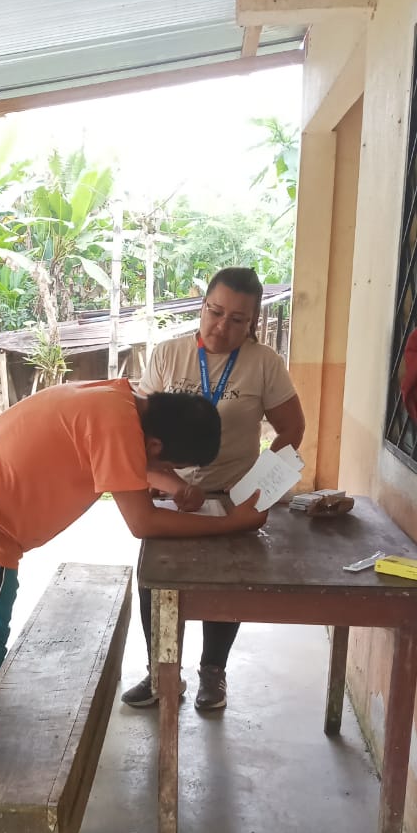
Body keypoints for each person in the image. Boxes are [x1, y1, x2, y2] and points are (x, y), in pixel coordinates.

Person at [0, 376, 268, 705]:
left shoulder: (121, 401)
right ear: (155, 447)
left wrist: (177, 487)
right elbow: (143, 522)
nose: (170, 472)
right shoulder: (117, 428)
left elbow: (129, 459)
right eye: (173, 466)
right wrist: (230, 523)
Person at [121, 266, 305, 713]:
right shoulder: (169, 354)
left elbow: (292, 428)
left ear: (253, 322)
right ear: (202, 305)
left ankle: (213, 672)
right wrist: (163, 482)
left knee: (229, 585)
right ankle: (161, 673)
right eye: (215, 312)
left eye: (237, 319)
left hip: (232, 494)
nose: (222, 326)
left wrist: (260, 482)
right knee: (156, 585)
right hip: (170, 495)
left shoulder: (264, 364)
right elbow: (138, 430)